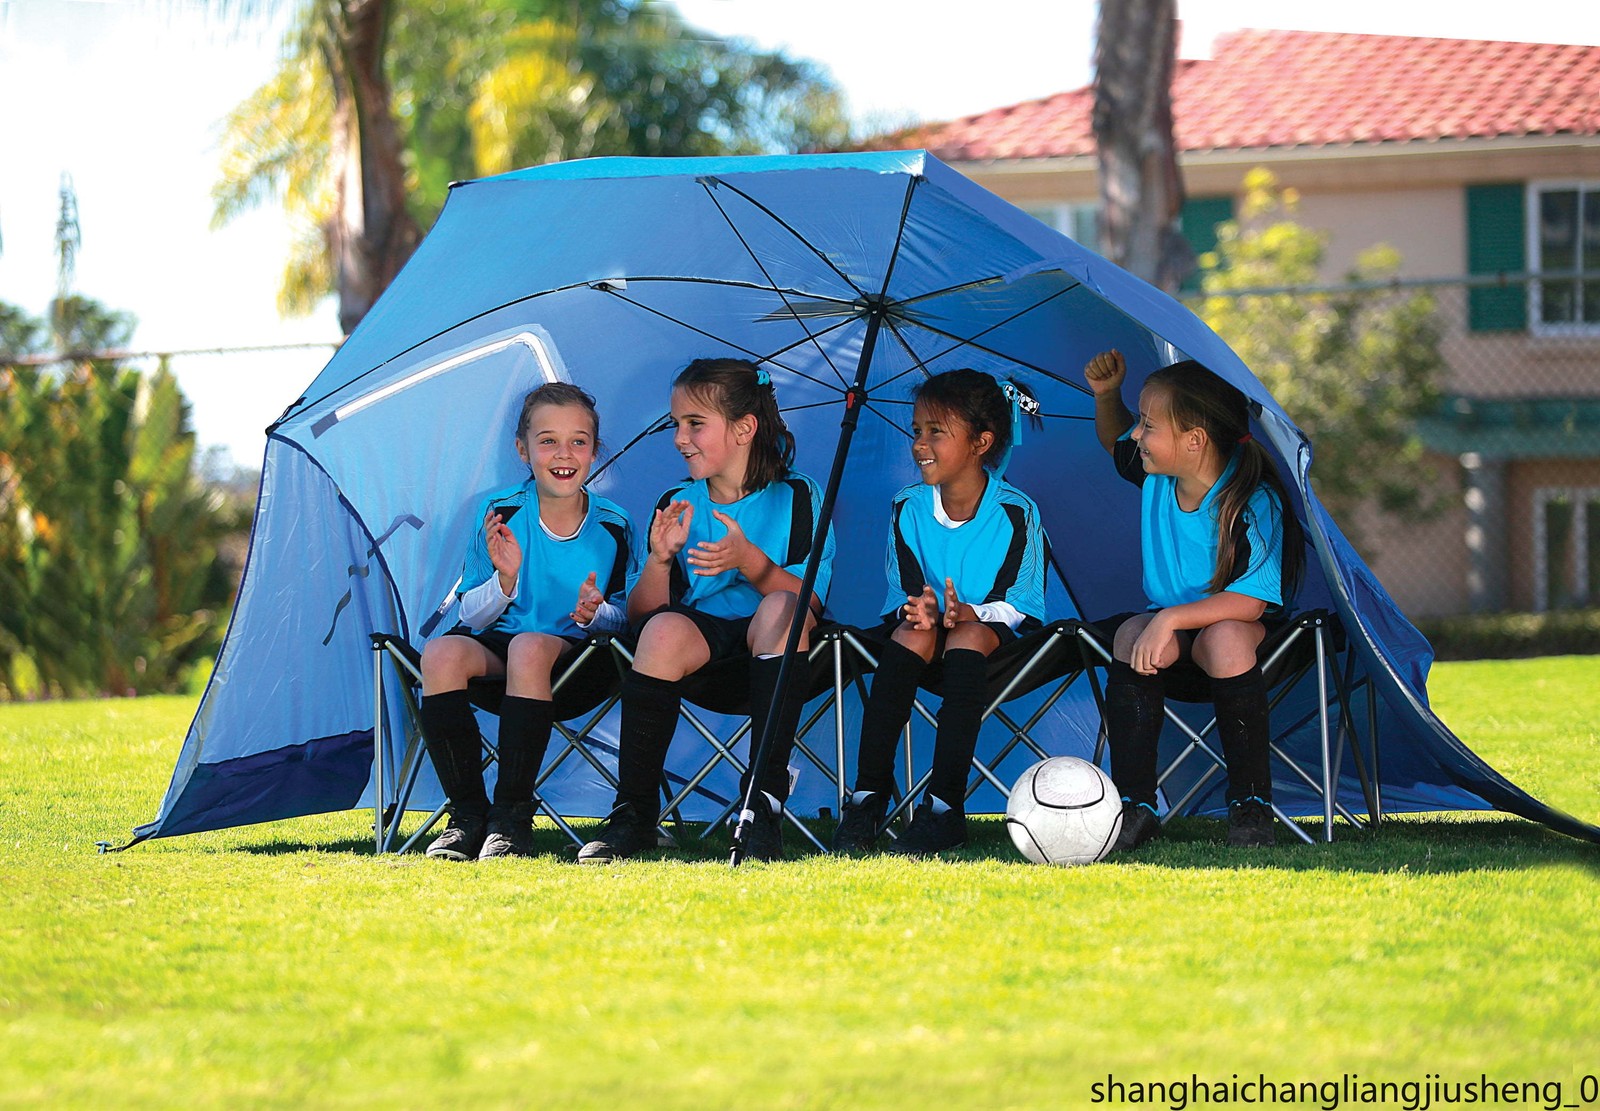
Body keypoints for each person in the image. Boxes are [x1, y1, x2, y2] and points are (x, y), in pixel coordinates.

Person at [577, 357, 835, 864]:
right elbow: (644, 615)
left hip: (782, 646)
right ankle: (634, 813)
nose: (680, 437)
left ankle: (762, 802)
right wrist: (659, 558)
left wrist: (751, 563)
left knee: (782, 606)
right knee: (664, 631)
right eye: (676, 424)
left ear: (744, 428)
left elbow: (812, 599)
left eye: (695, 423)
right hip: (705, 650)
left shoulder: (799, 494)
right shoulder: (677, 500)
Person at [1083, 349, 1305, 850]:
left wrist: (1172, 620)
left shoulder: (1253, 498)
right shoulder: (1157, 477)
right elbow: (1114, 442)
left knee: (1223, 637)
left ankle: (1251, 805)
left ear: (1194, 441)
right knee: (1130, 633)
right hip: (1177, 637)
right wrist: (1107, 396)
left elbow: (1248, 602)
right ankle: (1135, 806)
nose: (1136, 435)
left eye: (1147, 425)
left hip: (1247, 642)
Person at [418, 382, 637, 861]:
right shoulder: (501, 512)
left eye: (579, 441)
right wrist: (506, 579)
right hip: (500, 648)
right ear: (523, 449)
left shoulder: (616, 524)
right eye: (547, 440)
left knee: (531, 646)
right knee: (440, 653)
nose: (564, 453)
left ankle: (512, 817)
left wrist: (596, 613)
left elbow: (628, 622)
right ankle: (468, 817)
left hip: (579, 664)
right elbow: (472, 614)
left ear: (595, 451)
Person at [832, 368, 1046, 856]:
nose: (920, 444)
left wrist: (967, 612)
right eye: (916, 431)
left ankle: (945, 808)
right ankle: (867, 798)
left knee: (967, 636)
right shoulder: (906, 506)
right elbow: (905, 590)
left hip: (995, 639)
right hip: (923, 637)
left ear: (981, 442)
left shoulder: (1017, 511)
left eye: (936, 432)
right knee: (912, 634)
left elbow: (1021, 603)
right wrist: (925, 607)